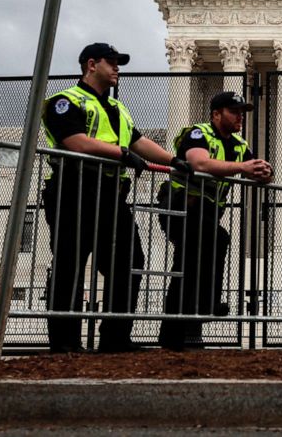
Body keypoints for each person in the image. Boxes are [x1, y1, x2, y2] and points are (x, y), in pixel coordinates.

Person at [41, 42, 191, 354]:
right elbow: (76, 143)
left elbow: (138, 141)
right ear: (91, 65)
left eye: (118, 63)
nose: (117, 68)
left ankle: (115, 336)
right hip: (74, 188)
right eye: (111, 62)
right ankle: (65, 342)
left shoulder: (118, 108)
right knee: (70, 263)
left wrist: (173, 161)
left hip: (110, 194)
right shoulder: (65, 101)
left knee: (129, 261)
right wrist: (121, 154)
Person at [157, 91, 274, 350]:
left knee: (187, 267)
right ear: (216, 114)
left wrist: (265, 171)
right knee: (217, 239)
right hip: (180, 206)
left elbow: (257, 169)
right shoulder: (199, 134)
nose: (239, 116)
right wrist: (243, 168)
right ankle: (208, 301)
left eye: (242, 112)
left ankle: (173, 334)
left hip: (206, 213)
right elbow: (199, 163)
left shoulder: (238, 145)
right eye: (234, 111)